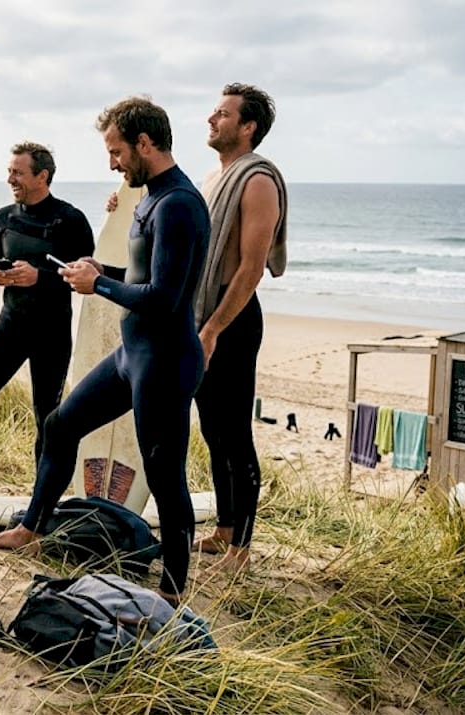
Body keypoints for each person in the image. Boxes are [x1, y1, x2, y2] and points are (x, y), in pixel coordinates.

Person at [0, 97, 210, 602]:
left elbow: (165, 300)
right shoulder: (151, 198)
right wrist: (102, 272)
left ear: (145, 143)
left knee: (165, 473)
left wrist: (96, 287)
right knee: (60, 424)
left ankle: (172, 590)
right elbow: (145, 278)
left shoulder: (179, 205)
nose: (113, 163)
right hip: (134, 355)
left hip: (165, 360)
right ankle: (31, 529)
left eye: (117, 150)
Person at [0, 142, 94, 495]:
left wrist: (40, 277)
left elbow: (86, 279)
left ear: (41, 176)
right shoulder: (4, 218)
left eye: (18, 172)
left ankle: (40, 499)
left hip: (52, 332)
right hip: (11, 325)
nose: (10, 178)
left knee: (47, 417)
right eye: (10, 171)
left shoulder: (70, 219)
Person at [191, 83, 287, 576]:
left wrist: (212, 330)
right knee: (211, 430)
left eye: (223, 114)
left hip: (232, 317)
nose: (212, 118)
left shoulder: (257, 181)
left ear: (247, 127)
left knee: (234, 433)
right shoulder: (213, 178)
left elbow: (250, 269)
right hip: (202, 317)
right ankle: (224, 529)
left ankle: (242, 549)